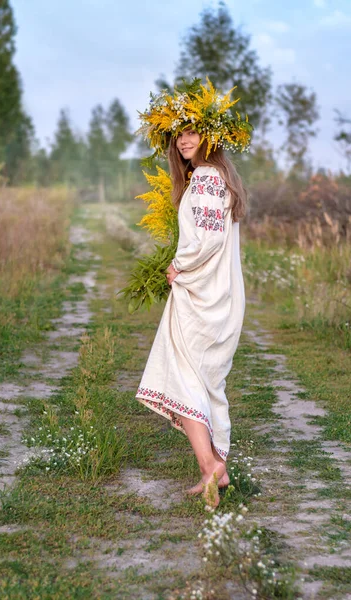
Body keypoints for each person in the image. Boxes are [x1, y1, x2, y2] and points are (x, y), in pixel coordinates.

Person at [135, 79, 252, 507]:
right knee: (204, 381)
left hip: (200, 294)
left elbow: (205, 240)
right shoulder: (217, 178)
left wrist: (176, 266)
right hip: (217, 294)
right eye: (177, 133)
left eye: (191, 130)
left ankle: (211, 469)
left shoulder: (204, 179)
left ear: (209, 136)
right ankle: (214, 468)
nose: (183, 139)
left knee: (182, 375)